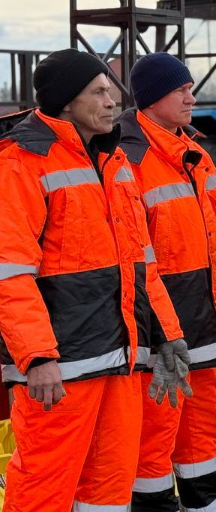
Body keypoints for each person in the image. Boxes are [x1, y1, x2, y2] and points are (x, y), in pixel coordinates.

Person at [0, 49, 188, 512]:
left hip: (119, 358)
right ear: (66, 102)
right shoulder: (22, 163)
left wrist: (166, 335)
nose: (112, 101)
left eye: (111, 90)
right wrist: (37, 357)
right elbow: (9, 273)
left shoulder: (114, 161)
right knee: (42, 489)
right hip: (60, 370)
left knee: (108, 490)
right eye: (99, 91)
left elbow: (142, 264)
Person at [119, 53, 216, 512]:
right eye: (181, 90)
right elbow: (133, 258)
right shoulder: (129, 158)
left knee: (205, 425)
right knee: (157, 431)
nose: (193, 97)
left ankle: (209, 504)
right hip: (162, 331)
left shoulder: (194, 151)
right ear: (151, 100)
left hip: (204, 320)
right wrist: (160, 330)